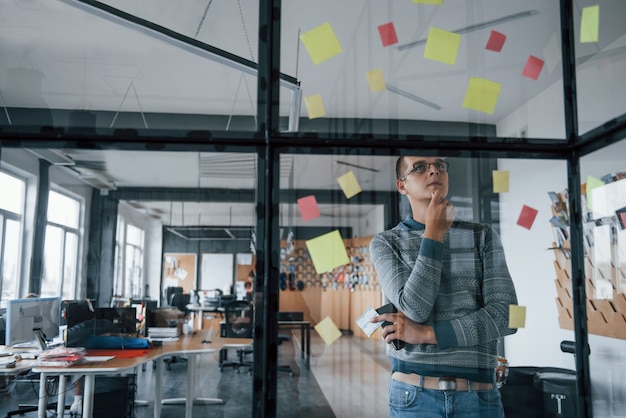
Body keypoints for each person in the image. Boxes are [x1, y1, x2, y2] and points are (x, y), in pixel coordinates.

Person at [369, 156, 518, 418]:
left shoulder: (482, 235)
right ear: (401, 186)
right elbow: (415, 307)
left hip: (479, 396)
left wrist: (426, 335)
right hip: (414, 397)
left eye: (440, 165)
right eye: (419, 167)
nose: (434, 170)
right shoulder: (385, 242)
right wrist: (434, 234)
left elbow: (509, 317)